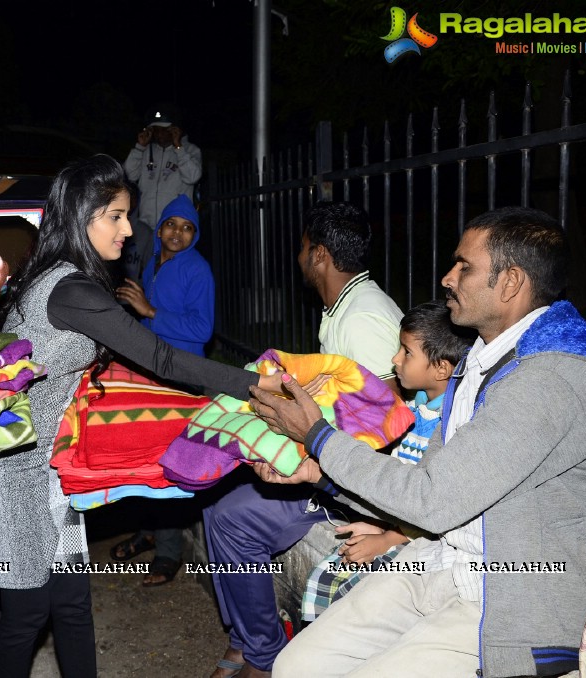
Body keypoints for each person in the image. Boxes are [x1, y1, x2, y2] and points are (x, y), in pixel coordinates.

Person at [0, 154, 289, 678]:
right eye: (116, 216)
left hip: (45, 474)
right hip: (13, 478)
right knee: (28, 614)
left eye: (127, 215)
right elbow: (161, 356)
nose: (130, 229)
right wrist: (255, 384)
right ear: (83, 216)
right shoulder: (70, 289)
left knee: (72, 605)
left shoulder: (63, 278)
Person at [251, 207, 586, 678]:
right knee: (296, 667)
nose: (448, 278)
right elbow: (425, 483)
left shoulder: (550, 379)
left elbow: (432, 500)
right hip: (441, 560)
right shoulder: (483, 360)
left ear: (510, 284)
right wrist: (320, 474)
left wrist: (317, 434)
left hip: (510, 595)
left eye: (464, 266)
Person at [205, 201, 402, 678]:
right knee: (216, 501)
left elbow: (387, 421)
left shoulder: (364, 318)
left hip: (350, 488)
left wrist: (312, 470)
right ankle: (245, 638)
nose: (297, 259)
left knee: (232, 519)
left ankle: (262, 653)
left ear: (319, 255)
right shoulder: (347, 306)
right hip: (330, 465)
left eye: (301, 248)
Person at [301, 300, 474, 623]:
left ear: (441, 368)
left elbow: (435, 506)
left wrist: (386, 538)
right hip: (398, 526)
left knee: (353, 600)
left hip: (426, 545)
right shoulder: (413, 409)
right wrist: (380, 525)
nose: (394, 359)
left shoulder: (452, 426)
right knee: (322, 582)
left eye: (406, 352)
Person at [112, 192, 213, 586]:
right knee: (147, 457)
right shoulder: (155, 262)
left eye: (187, 228)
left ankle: (169, 555)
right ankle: (150, 531)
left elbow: (203, 329)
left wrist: (150, 311)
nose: (178, 233)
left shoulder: (197, 270)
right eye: (172, 224)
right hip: (153, 370)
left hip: (182, 376)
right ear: (159, 229)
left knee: (170, 464)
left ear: (195, 235)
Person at [122, 107, 202, 279]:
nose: (160, 134)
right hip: (147, 227)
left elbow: (193, 176)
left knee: (171, 273)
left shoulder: (190, 150)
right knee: (145, 273)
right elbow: (128, 174)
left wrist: (179, 147)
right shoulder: (145, 151)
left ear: (175, 129)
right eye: (156, 130)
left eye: (165, 130)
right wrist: (139, 147)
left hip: (174, 228)